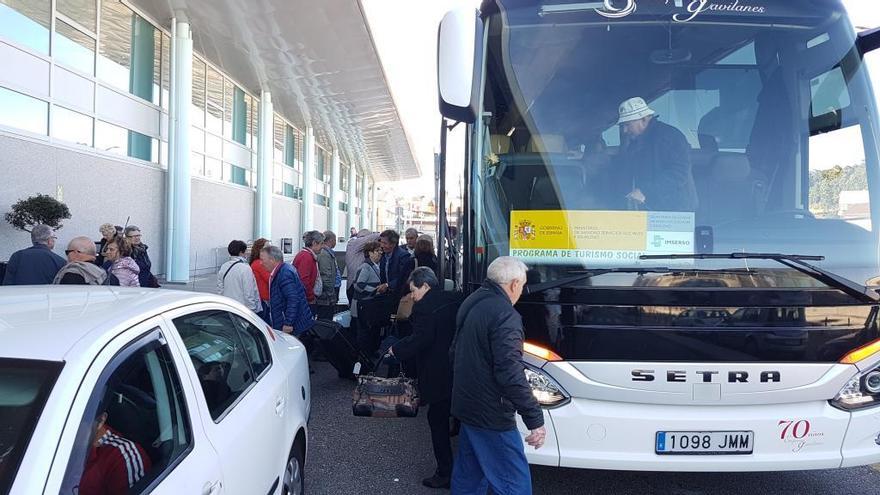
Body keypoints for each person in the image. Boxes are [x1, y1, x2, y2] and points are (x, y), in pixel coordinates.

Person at [450, 256, 545, 495]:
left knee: (469, 477)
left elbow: (454, 352)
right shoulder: (505, 315)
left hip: (468, 405)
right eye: (522, 287)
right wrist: (534, 418)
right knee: (514, 483)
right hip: (491, 414)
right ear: (514, 284)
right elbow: (510, 372)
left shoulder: (473, 301)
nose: (521, 293)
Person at [387, 268, 459, 489]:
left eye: (414, 290)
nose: (412, 296)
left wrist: (396, 350)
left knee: (436, 422)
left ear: (425, 286)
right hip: (458, 368)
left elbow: (421, 338)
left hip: (437, 372)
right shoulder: (455, 298)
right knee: (459, 419)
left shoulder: (424, 307)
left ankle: (445, 472)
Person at [615, 96, 698, 211]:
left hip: (675, 212)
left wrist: (645, 191)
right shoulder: (636, 142)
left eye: (627, 125)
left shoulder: (669, 137)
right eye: (622, 126)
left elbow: (679, 173)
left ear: (644, 120)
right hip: (652, 209)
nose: (624, 130)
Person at [78, 403, 152, 495]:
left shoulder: (123, 457)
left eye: (78, 423)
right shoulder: (67, 446)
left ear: (101, 420)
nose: (70, 430)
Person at [261, 245, 314, 336]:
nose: (261, 263)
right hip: (291, 322)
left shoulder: (284, 273)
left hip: (293, 326)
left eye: (263, 259)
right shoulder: (282, 270)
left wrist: (288, 323)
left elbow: (293, 299)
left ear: (272, 260)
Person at [350, 241, 387, 358]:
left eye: (380, 251)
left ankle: (369, 352)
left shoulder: (376, 266)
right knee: (364, 331)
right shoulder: (365, 266)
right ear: (369, 253)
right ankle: (363, 355)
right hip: (363, 305)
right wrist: (376, 289)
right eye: (377, 251)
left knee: (370, 331)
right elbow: (358, 285)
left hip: (369, 305)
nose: (380, 253)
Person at [217, 240, 261, 314]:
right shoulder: (245, 268)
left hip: (229, 308)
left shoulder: (224, 266)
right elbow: (249, 293)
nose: (247, 253)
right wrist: (252, 311)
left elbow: (220, 289)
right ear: (241, 252)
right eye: (246, 251)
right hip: (242, 310)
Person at [54, 236, 120, 285]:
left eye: (67, 252)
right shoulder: (111, 278)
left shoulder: (70, 275)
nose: (67, 256)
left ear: (75, 252)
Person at [378, 229, 414, 302]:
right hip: (385, 295)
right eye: (381, 242)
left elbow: (403, 277)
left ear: (393, 244)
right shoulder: (382, 255)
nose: (382, 245)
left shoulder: (404, 256)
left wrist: (388, 285)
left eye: (385, 243)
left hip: (399, 296)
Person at [293, 230, 324, 312]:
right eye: (321, 244)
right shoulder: (306, 257)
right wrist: (310, 297)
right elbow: (303, 280)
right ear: (314, 243)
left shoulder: (306, 255)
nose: (322, 247)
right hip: (306, 300)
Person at [345, 228, 379, 302]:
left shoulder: (361, 250)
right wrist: (384, 235)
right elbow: (374, 237)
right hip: (354, 286)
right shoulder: (353, 243)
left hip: (362, 286)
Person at [316, 230, 341, 320]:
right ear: (331, 240)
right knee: (325, 318)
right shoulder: (324, 254)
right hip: (326, 296)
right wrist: (330, 293)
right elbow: (326, 275)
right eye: (335, 240)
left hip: (329, 293)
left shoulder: (329, 253)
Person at [249, 238, 271, 324]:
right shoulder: (259, 263)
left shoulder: (258, 262)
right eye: (267, 247)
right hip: (263, 299)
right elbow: (270, 279)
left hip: (263, 298)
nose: (270, 249)